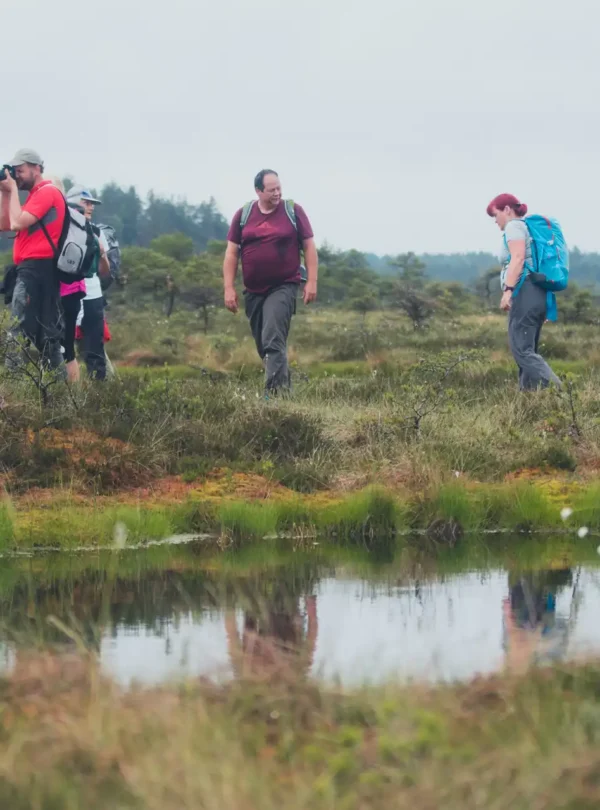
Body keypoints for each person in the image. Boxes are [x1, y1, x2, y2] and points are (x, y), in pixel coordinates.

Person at [223, 169, 318, 393]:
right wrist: (228, 288)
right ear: (258, 191)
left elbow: (309, 246)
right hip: (253, 290)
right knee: (263, 346)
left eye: (279, 188)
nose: (277, 193)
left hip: (284, 284)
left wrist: (311, 281)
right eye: (271, 189)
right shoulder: (243, 215)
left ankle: (272, 399)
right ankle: (285, 392)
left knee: (273, 338)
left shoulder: (293, 211)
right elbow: (231, 254)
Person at [0, 149, 66, 376]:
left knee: (19, 330)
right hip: (32, 270)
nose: (16, 176)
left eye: (20, 170)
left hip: (38, 270)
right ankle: (59, 391)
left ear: (36, 168)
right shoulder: (35, 196)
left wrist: (13, 191)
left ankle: (11, 385)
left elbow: (17, 223)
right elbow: (6, 224)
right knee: (46, 335)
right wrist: (7, 194)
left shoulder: (47, 192)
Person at [487, 193, 561, 391]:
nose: (495, 221)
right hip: (536, 293)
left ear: (507, 210)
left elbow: (518, 258)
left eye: (495, 215)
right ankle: (528, 400)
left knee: (522, 351)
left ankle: (561, 392)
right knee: (527, 351)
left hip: (524, 291)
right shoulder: (526, 228)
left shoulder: (514, 227)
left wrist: (508, 290)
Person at [66, 186, 110, 380]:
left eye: (92, 204)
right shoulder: (62, 228)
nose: (90, 207)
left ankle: (98, 393)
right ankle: (62, 389)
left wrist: (101, 253)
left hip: (92, 290)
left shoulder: (98, 232)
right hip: (66, 288)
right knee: (62, 343)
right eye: (86, 203)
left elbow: (105, 272)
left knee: (95, 344)